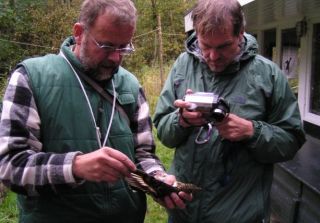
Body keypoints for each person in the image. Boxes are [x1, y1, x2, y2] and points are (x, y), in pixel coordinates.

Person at [0, 0, 190, 222]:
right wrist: (76, 167)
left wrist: (157, 180)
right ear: (79, 32)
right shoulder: (31, 77)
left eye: (124, 47)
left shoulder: (130, 84)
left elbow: (143, 154)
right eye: (107, 46)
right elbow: (11, 166)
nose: (116, 58)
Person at [153, 0, 306, 222]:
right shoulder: (183, 65)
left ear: (240, 33)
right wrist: (182, 121)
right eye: (206, 46)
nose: (213, 56)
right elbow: (164, 134)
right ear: (196, 33)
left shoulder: (267, 75)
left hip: (238, 214)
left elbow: (292, 140)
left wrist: (252, 131)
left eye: (223, 46)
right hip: (183, 211)